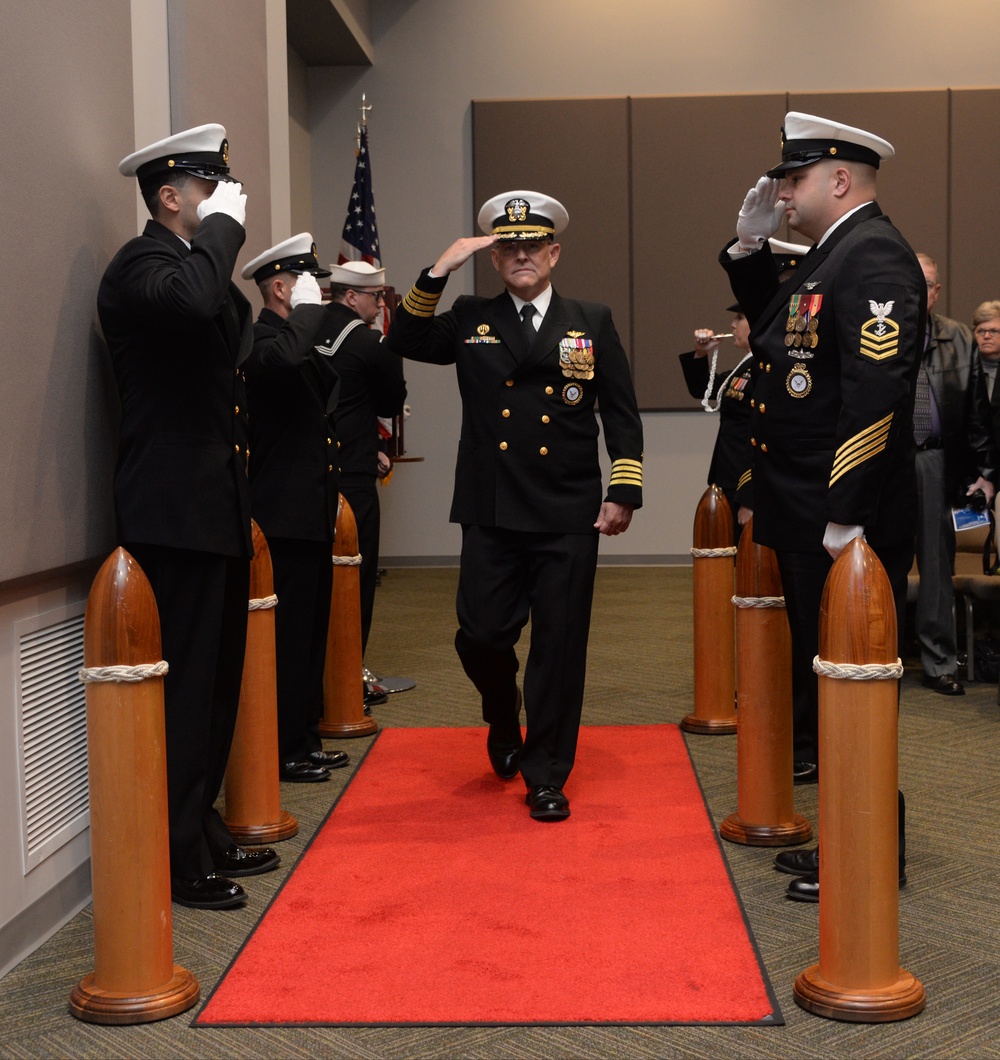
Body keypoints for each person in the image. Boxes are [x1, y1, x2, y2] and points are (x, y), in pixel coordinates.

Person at [387, 190, 643, 821]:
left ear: (553, 252)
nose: (521, 257)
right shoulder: (472, 315)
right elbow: (406, 336)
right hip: (492, 507)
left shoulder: (592, 319)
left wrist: (624, 489)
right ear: (495, 258)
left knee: (559, 648)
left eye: (533, 247)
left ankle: (546, 773)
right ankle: (503, 720)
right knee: (480, 637)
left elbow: (620, 410)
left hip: (566, 510)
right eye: (508, 249)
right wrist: (438, 269)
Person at [720, 112, 925, 900]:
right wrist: (744, 251)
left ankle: (871, 851)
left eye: (793, 180)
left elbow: (877, 393)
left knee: (854, 686)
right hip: (811, 510)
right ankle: (848, 835)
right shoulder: (834, 254)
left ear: (840, 180)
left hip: (845, 517)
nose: (782, 193)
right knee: (830, 687)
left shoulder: (871, 254)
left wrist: (846, 510)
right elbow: (777, 332)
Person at [98, 124, 279, 910]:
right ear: (170, 196)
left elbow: (227, 331)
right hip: (172, 515)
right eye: (211, 189)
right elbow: (198, 301)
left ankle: (198, 828)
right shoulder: (142, 265)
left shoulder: (186, 266)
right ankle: (176, 856)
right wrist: (228, 232)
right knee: (184, 690)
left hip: (213, 510)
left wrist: (220, 242)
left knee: (213, 686)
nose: (225, 200)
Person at [240, 233, 353, 782]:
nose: (321, 296)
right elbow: (282, 365)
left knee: (309, 638)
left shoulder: (296, 343)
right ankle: (283, 747)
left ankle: (304, 737)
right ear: (281, 287)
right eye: (309, 286)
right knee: (286, 643)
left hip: (309, 515)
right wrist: (305, 314)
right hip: (281, 519)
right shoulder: (261, 343)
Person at [679, 240, 810, 539]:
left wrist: (750, 494)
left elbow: (768, 432)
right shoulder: (747, 364)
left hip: (750, 481)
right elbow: (705, 391)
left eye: (740, 317)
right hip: (728, 476)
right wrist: (703, 355)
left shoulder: (774, 364)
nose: (733, 323)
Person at [910, 255, 996, 696]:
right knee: (878, 563)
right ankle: (876, 658)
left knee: (937, 565)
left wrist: (986, 472)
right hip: (885, 460)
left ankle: (939, 661)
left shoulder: (961, 337)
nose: (918, 290)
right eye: (911, 280)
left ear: (937, 292)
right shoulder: (877, 335)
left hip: (936, 462)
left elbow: (979, 412)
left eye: (926, 284)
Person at [324, 262, 407, 680]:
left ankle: (318, 676)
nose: (380, 304)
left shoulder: (306, 331)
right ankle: (348, 675)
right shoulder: (369, 342)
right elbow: (391, 403)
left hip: (309, 472)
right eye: (375, 297)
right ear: (352, 297)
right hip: (353, 475)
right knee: (356, 577)